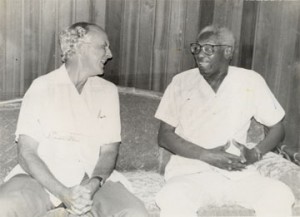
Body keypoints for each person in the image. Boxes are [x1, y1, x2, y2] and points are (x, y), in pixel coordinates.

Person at [0, 22, 148, 217]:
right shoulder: (42, 87)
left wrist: (92, 185)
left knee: (134, 213)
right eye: (104, 46)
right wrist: (62, 192)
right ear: (80, 47)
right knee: (4, 207)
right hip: (39, 179)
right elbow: (26, 152)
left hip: (92, 180)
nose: (110, 54)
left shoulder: (107, 91)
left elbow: (109, 151)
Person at [155, 25, 295, 217]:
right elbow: (164, 136)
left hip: (237, 173)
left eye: (208, 49)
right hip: (191, 172)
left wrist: (255, 153)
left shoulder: (250, 80)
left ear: (228, 51)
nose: (200, 55)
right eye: (196, 48)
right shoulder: (181, 82)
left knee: (280, 195)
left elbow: (277, 128)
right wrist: (208, 156)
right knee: (172, 197)